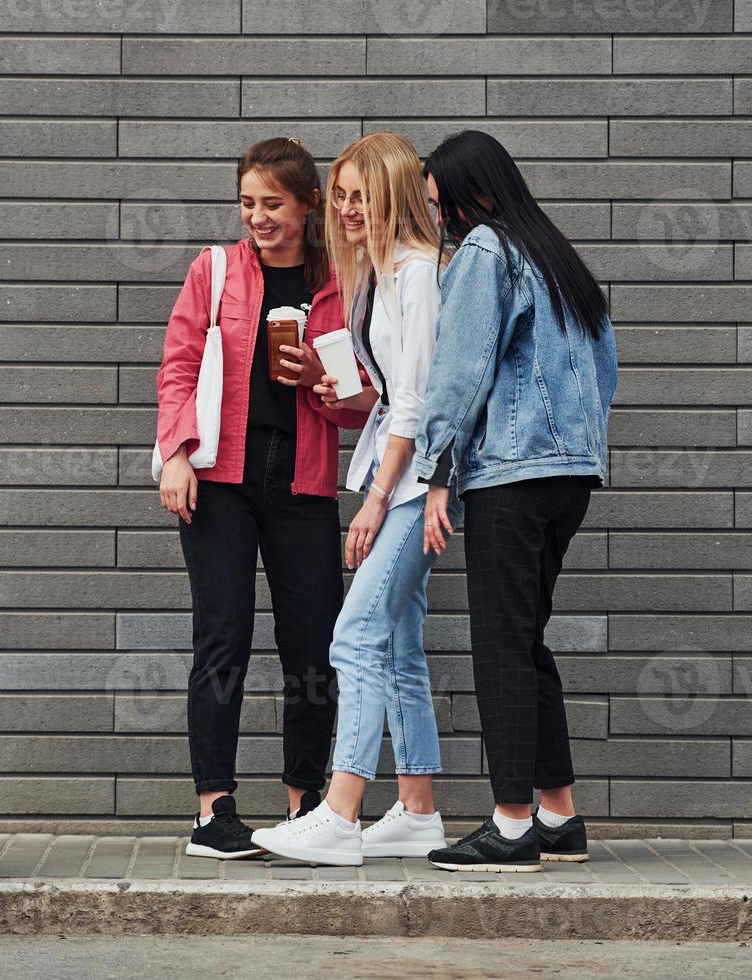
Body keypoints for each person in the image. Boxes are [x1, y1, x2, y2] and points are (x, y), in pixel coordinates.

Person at [155, 137, 372, 859]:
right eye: (248, 203)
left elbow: (359, 405)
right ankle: (214, 812)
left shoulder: (341, 282)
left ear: (310, 204)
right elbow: (179, 367)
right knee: (225, 637)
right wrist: (177, 455)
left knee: (313, 646)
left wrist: (318, 374)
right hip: (220, 479)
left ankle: (307, 804)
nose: (258, 217)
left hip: (303, 481)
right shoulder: (214, 270)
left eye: (273, 203)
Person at [414, 130, 618, 873]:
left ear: (478, 194)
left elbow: (460, 372)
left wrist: (437, 470)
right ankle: (559, 817)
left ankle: (510, 824)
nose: (442, 222)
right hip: (570, 478)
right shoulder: (557, 256)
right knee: (527, 641)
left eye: (444, 206)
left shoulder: (485, 252)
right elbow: (607, 372)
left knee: (501, 645)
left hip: (510, 474)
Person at [252, 132, 454, 866]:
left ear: (394, 195)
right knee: (397, 642)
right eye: (338, 198)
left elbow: (422, 404)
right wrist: (348, 389)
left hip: (405, 487)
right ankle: (419, 810)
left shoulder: (418, 273)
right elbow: (392, 394)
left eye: (358, 197)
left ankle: (339, 814)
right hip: (393, 475)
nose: (344, 210)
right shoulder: (378, 274)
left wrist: (374, 500)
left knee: (354, 635)